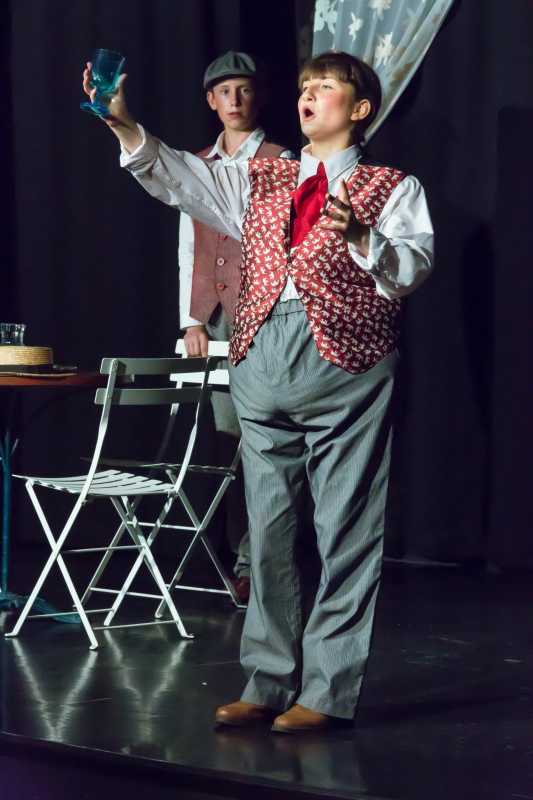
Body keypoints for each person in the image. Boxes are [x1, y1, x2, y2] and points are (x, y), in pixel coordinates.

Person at [82, 49, 433, 733]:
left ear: (359, 109)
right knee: (268, 530)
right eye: (304, 86)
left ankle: (326, 692)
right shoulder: (260, 177)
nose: (308, 96)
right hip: (263, 357)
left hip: (345, 364)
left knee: (345, 530)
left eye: (324, 87)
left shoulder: (392, 186)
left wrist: (362, 235)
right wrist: (122, 123)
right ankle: (268, 680)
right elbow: (181, 179)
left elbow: (410, 270)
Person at [178, 51, 294, 603]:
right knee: (228, 443)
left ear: (258, 96)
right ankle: (234, 556)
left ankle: (258, 561)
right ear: (210, 100)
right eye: (224, 91)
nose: (234, 100)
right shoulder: (197, 164)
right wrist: (192, 319)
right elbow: (191, 248)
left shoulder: (280, 159)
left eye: (244, 89)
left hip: (265, 312)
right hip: (217, 317)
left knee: (261, 441)